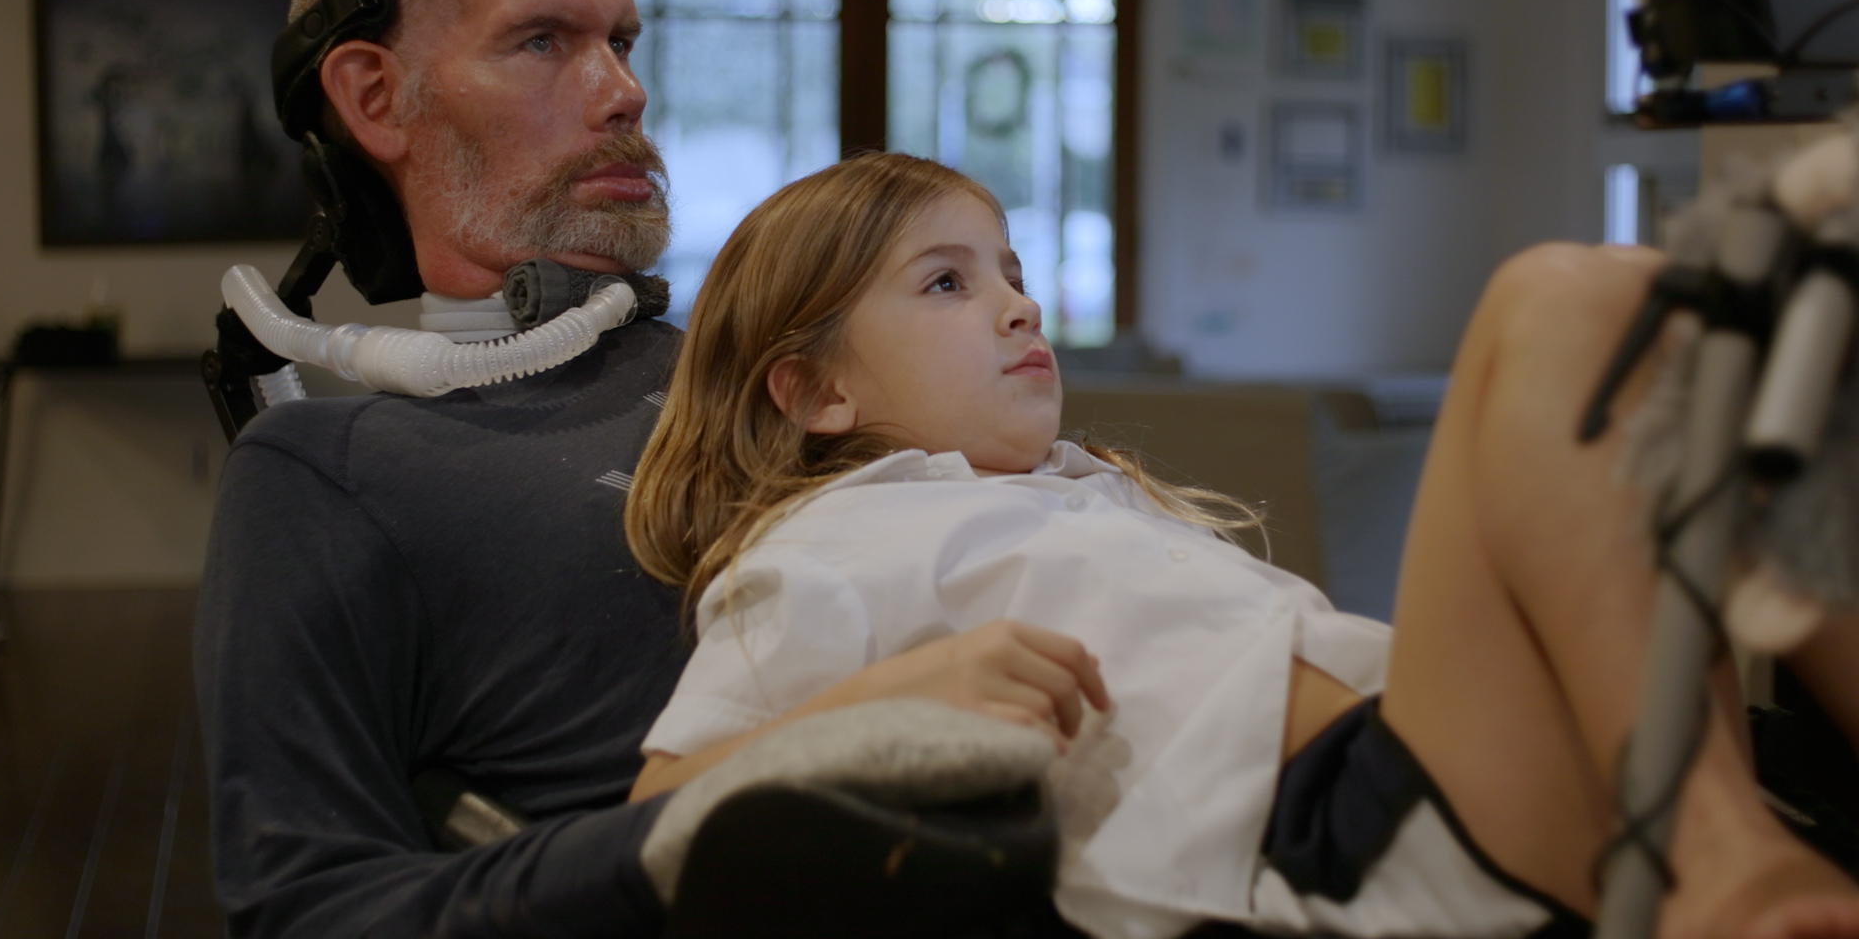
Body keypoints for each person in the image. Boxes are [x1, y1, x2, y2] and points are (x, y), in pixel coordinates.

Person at [622, 152, 1859, 939]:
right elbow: (654, 812)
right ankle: (1718, 858)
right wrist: (900, 691)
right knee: (1566, 304)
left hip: (1465, 755)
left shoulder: (1082, 490)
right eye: (946, 284)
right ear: (813, 392)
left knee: (1723, 330)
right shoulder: (826, 544)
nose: (1019, 301)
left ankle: (1731, 828)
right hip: (1340, 833)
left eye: (1009, 267)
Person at [195, 0, 1095, 936]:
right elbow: (309, 911)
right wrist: (732, 798)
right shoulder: (329, 471)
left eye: (621, 41)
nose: (625, 90)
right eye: (542, 41)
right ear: (376, 96)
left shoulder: (784, 374)